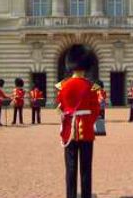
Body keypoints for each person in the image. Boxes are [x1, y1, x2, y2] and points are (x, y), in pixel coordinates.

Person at [57, 45, 100, 198]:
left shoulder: (63, 86)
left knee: (70, 166)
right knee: (86, 167)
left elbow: (60, 107)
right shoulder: (91, 87)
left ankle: (71, 195)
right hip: (86, 130)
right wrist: (88, 121)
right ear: (86, 66)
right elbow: (95, 110)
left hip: (69, 130)